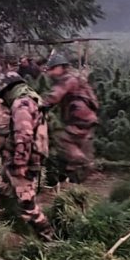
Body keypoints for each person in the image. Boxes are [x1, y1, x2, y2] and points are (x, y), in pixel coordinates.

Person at [0, 72, 53, 240]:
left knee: (26, 205)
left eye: (3, 95)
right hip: (15, 161)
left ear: (9, 89)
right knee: (1, 191)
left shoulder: (21, 104)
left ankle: (49, 238)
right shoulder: (30, 99)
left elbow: (23, 136)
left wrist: (20, 164)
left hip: (21, 162)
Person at [43, 52, 100, 183]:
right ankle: (77, 175)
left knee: (61, 139)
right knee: (82, 147)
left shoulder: (67, 80)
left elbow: (53, 97)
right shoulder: (76, 78)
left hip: (79, 120)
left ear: (61, 67)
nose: (50, 73)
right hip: (88, 119)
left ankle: (84, 164)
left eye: (52, 69)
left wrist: (38, 107)